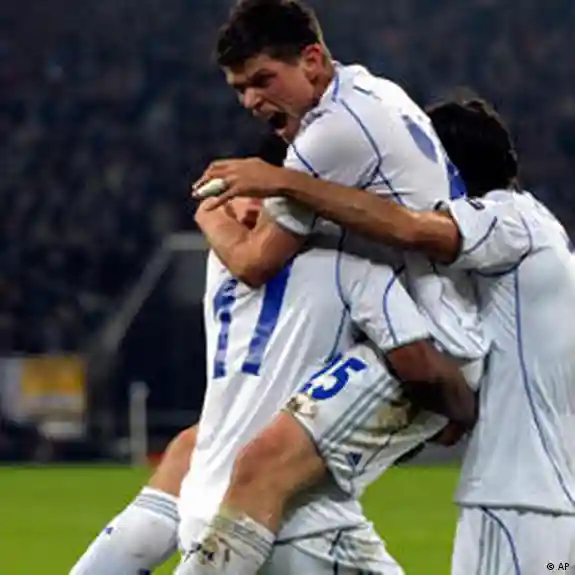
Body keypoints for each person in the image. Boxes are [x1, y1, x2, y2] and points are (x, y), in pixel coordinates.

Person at [199, 97, 575, 574]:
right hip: (546, 493)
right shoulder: (535, 231)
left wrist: (285, 182)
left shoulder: (504, 221)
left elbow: (409, 229)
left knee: (264, 464)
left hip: (518, 495)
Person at [181, 0, 489, 573]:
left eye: (263, 80)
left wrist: (209, 215)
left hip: (429, 346)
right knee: (310, 511)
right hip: (440, 328)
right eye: (240, 89)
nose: (251, 101)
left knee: (261, 465)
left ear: (313, 61)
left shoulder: (329, 138)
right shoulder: (375, 92)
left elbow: (254, 261)